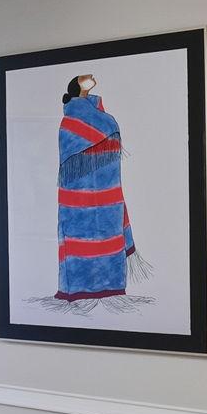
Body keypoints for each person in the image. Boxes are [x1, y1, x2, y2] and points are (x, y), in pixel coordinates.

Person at [56, 74, 135, 299]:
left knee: (108, 232)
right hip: (76, 197)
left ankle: (110, 283)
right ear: (78, 87)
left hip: (107, 193)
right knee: (78, 237)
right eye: (85, 78)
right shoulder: (69, 123)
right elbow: (67, 163)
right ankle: (79, 286)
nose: (91, 77)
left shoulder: (104, 119)